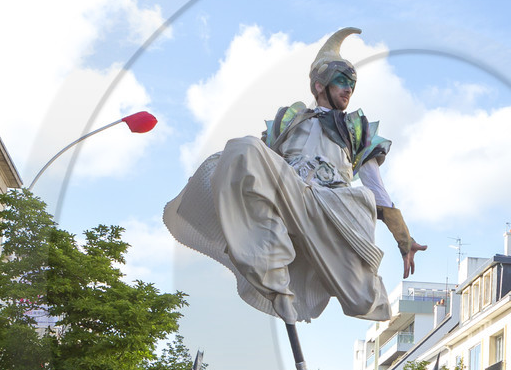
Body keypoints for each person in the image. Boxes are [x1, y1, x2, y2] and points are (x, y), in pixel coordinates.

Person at [165, 27, 426, 326]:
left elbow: (375, 186)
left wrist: (403, 239)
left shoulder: (356, 128)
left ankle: (323, 271)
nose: (348, 89)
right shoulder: (289, 121)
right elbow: (255, 169)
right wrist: (219, 184)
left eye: (351, 84)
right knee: (242, 149)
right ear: (319, 86)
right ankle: (272, 271)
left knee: (364, 300)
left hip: (334, 208)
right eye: (341, 82)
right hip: (293, 194)